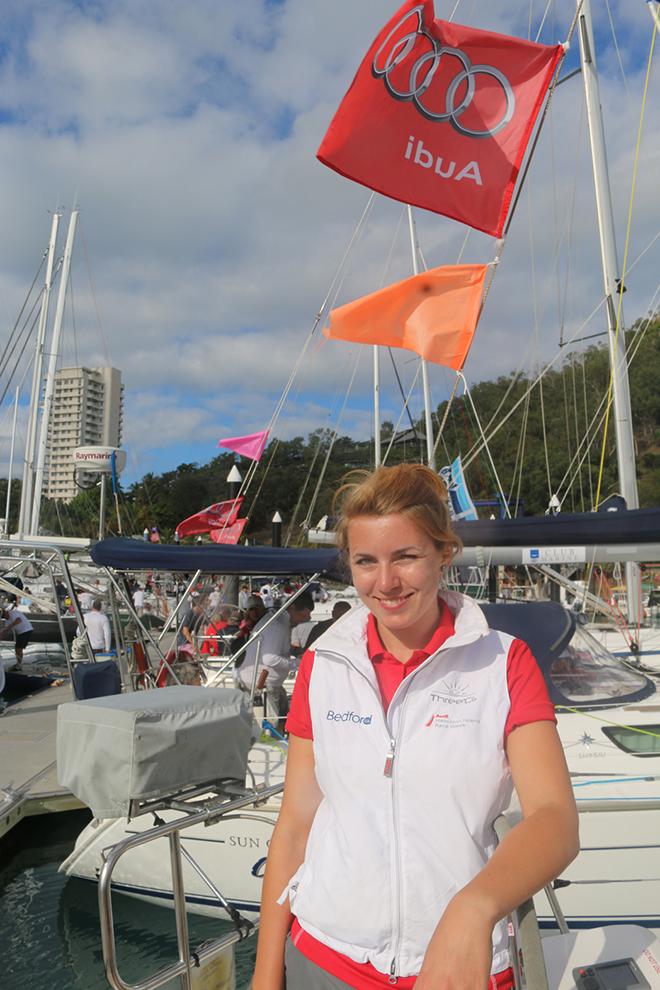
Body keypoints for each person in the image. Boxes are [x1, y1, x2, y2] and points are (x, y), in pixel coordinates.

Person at [252, 464, 578, 990]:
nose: (386, 583)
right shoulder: (323, 663)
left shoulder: (503, 664)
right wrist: (267, 975)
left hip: (457, 967)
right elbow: (294, 827)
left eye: (405, 556)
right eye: (366, 561)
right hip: (321, 958)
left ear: (443, 554)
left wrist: (474, 909)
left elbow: (555, 818)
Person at [238, 591, 314, 725]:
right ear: (292, 608)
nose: (303, 621)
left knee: (284, 718)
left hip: (267, 685)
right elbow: (269, 658)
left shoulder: (278, 621)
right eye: (302, 616)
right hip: (261, 687)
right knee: (272, 729)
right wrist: (299, 663)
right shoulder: (277, 625)